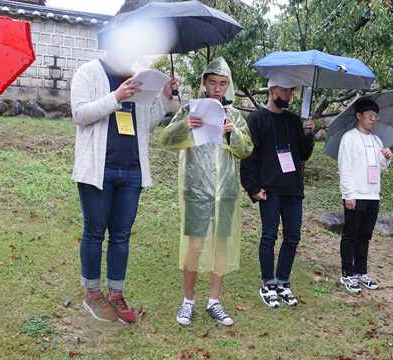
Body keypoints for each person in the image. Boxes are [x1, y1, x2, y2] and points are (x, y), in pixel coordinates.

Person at [71, 46, 178, 324]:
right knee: (94, 232)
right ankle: (93, 294)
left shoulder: (139, 77)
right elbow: (80, 114)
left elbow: (146, 123)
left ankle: (116, 294)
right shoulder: (88, 72)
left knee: (121, 235)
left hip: (132, 170)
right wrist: (116, 97)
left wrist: (164, 98)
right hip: (99, 169)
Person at [160, 58, 253, 326]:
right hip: (197, 190)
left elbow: (246, 150)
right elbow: (166, 140)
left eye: (223, 84)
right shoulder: (191, 111)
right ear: (204, 82)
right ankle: (188, 301)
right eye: (213, 82)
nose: (217, 88)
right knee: (197, 244)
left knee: (221, 245)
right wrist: (185, 125)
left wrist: (231, 132)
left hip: (224, 192)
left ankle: (214, 301)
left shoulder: (234, 115)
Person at [240, 72, 315, 308]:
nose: (288, 95)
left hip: (292, 188)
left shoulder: (293, 121)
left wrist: (307, 134)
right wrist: (252, 188)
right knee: (269, 235)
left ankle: (282, 282)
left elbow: (303, 154)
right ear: (271, 89)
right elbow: (248, 158)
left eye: (291, 91)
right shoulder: (257, 120)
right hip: (268, 189)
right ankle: (267, 284)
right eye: (284, 90)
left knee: (293, 236)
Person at [337, 99, 392, 293]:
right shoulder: (349, 138)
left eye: (376, 116)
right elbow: (344, 168)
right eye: (370, 115)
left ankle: (361, 271)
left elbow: (380, 167)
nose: (373, 119)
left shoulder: (376, 140)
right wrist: (349, 194)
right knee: (350, 234)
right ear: (359, 116)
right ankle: (348, 273)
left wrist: (387, 157)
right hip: (355, 194)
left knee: (365, 236)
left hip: (372, 195)